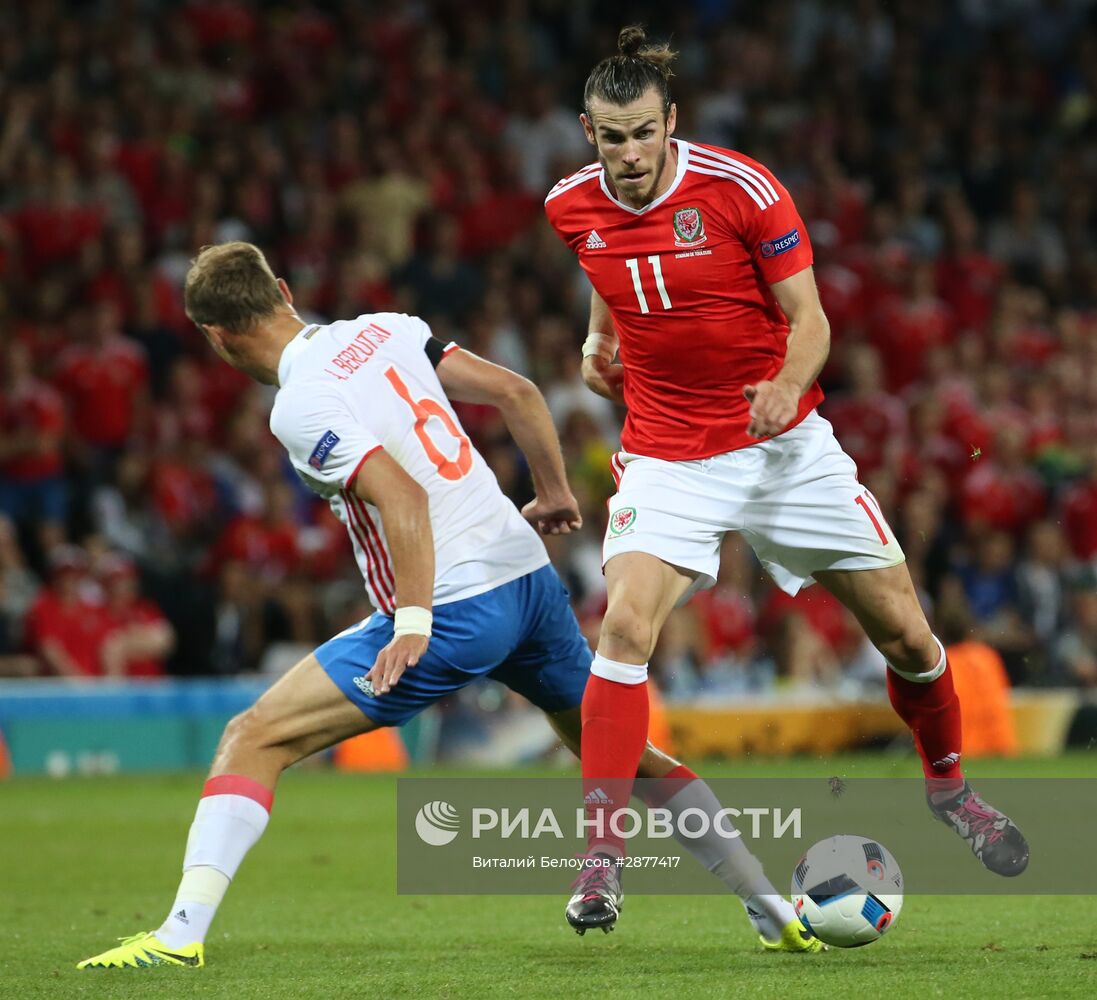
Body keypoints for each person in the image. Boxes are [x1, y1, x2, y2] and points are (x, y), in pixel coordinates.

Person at [77, 242, 820, 970]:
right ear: (283, 290)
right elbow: (519, 393)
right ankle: (768, 904)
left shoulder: (299, 406)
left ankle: (177, 937)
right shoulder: (386, 328)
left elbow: (398, 496)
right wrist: (555, 492)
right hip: (529, 583)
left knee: (253, 736)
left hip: (452, 611)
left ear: (215, 337)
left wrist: (412, 622)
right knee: (615, 749)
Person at [545, 26, 1028, 934]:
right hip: (667, 453)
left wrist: (783, 383)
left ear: (670, 120)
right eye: (612, 137)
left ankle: (949, 790)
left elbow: (811, 321)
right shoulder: (569, 205)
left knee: (910, 638)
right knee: (622, 624)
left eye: (644, 132)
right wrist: (597, 343)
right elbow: (603, 269)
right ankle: (601, 861)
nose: (630, 154)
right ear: (587, 132)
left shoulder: (742, 189)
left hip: (782, 447)